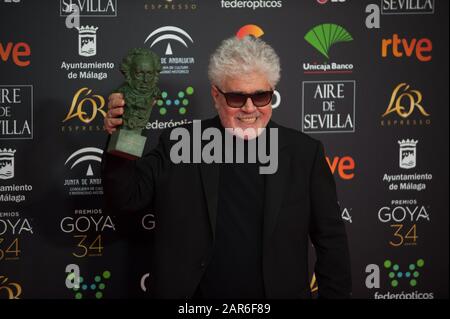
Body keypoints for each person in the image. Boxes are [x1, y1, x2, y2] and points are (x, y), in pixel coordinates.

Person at [101, 35, 352, 299]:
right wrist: (124, 133)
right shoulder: (180, 144)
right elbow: (126, 197)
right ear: (216, 95)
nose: (249, 108)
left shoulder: (304, 153)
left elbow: (331, 241)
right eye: (236, 98)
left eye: (261, 96)